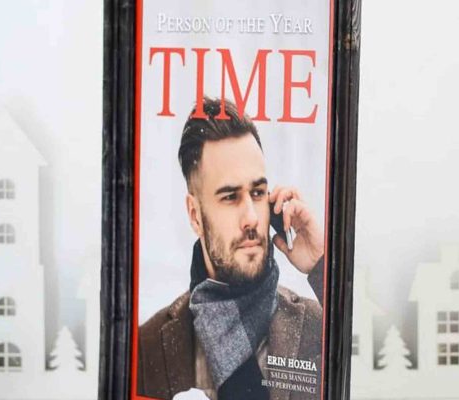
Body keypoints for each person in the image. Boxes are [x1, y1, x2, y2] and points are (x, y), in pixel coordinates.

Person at [137, 98, 326, 400]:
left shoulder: (318, 325)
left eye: (258, 192)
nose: (252, 217)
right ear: (195, 216)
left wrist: (321, 264)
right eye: (229, 197)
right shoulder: (149, 348)